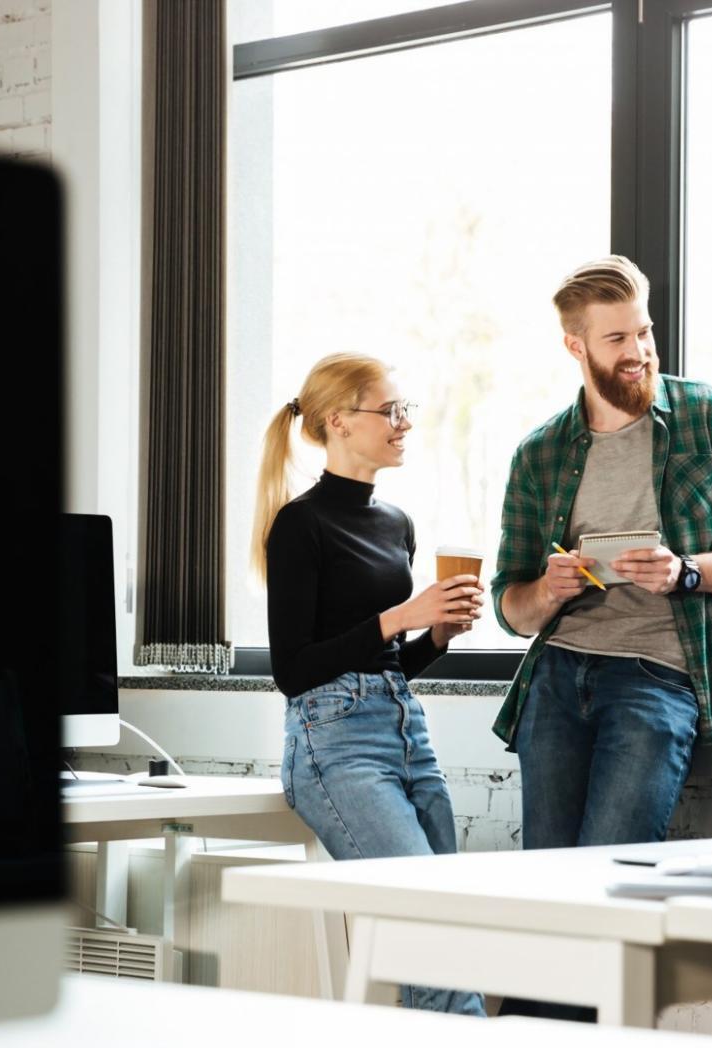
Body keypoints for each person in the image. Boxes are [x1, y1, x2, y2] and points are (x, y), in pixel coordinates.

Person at [491, 254, 712, 853]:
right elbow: (511, 610)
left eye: (645, 331)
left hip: (660, 678)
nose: (640, 350)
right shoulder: (539, 454)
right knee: (546, 879)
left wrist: (686, 572)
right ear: (576, 348)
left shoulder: (711, 418)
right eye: (617, 338)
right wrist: (550, 588)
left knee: (613, 867)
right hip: (555, 680)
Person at [252, 352, 485, 1016]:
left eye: (405, 411)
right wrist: (401, 617)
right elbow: (293, 671)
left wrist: (434, 636)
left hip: (404, 731)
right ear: (337, 422)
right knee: (433, 946)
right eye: (390, 412)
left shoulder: (397, 523)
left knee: (454, 935)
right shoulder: (299, 526)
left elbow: (385, 667)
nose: (404, 424)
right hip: (336, 748)